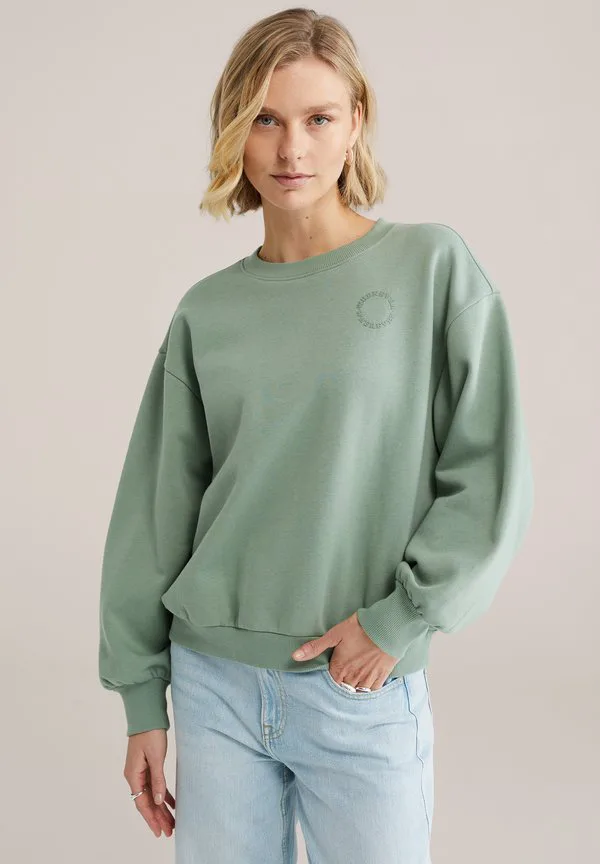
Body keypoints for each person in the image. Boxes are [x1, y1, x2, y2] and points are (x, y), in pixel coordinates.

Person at [98, 8, 534, 863]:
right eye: (265, 119)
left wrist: (401, 620)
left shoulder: (431, 268)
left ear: (355, 124)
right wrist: (142, 700)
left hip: (359, 682)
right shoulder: (208, 312)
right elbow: (156, 510)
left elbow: (489, 474)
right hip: (214, 689)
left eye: (318, 118)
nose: (291, 148)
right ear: (235, 130)